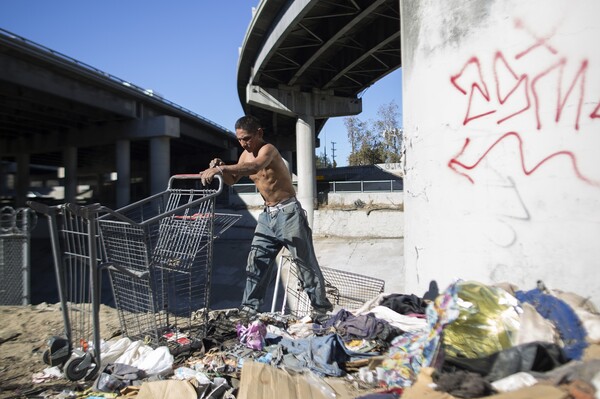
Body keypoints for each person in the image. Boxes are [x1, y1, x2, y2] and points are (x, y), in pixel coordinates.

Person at [199, 115, 333, 319]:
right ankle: (249, 309)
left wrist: (221, 167)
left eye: (248, 138)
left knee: (305, 264)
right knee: (256, 261)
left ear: (259, 133)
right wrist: (221, 169)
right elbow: (232, 180)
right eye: (240, 139)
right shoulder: (245, 155)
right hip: (267, 217)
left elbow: (255, 167)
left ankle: (321, 309)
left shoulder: (267, 150)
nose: (244, 143)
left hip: (289, 214)